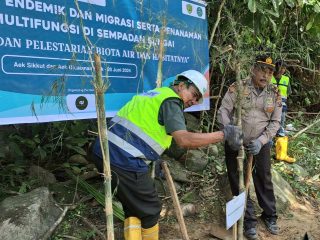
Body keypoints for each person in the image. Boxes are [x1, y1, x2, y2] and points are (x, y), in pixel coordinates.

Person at [89, 70, 243, 240]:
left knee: (133, 207)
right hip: (123, 158)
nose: (194, 101)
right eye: (194, 94)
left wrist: (152, 154)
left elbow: (145, 127)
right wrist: (223, 135)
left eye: (198, 98)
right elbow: (183, 140)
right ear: (181, 85)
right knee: (151, 209)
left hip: (103, 151)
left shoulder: (156, 95)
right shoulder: (172, 102)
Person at [218, 55, 282, 240]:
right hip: (235, 143)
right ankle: (248, 221)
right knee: (237, 181)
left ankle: (270, 216)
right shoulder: (238, 86)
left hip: (259, 143)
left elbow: (275, 121)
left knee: (263, 178)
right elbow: (224, 110)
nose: (266, 75)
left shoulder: (274, 92)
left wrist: (261, 141)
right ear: (253, 69)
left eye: (270, 72)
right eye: (262, 69)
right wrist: (231, 133)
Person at [271, 60, 295, 163]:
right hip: (269, 108)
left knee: (280, 128)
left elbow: (288, 93)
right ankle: (268, 151)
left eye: (284, 68)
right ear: (276, 67)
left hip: (282, 108)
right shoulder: (269, 78)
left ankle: (281, 154)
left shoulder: (286, 79)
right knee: (267, 128)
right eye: (280, 67)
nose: (282, 70)